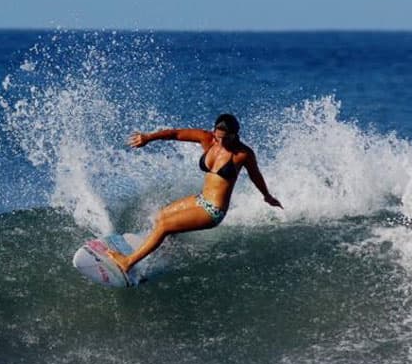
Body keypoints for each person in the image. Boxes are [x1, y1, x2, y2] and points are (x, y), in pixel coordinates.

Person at [107, 113, 282, 274]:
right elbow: (175, 134)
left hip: (213, 211)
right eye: (217, 136)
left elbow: (255, 175)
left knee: (164, 226)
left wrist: (267, 195)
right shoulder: (207, 138)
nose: (220, 142)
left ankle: (127, 262)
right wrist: (148, 138)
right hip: (200, 199)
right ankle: (162, 250)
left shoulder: (243, 154)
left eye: (225, 138)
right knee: (159, 216)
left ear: (235, 135)